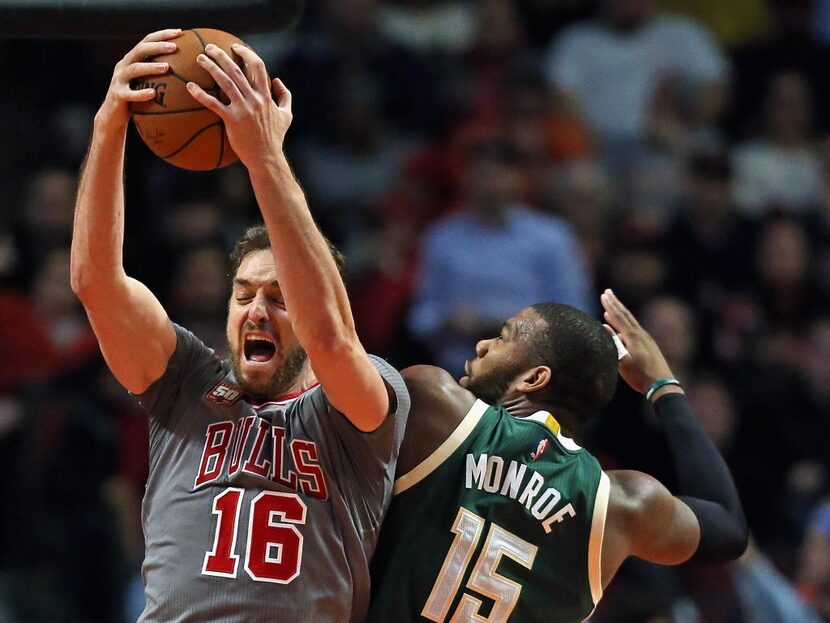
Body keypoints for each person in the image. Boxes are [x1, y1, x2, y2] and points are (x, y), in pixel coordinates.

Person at [70, 30, 410, 622]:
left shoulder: (362, 409)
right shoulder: (187, 383)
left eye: (281, 300)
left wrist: (264, 156)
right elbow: (96, 282)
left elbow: (330, 336)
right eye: (244, 294)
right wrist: (109, 128)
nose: (257, 311)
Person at [368, 288, 747, 622]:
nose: (483, 345)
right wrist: (662, 384)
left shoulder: (435, 401)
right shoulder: (619, 505)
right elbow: (728, 525)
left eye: (503, 337)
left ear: (534, 378)